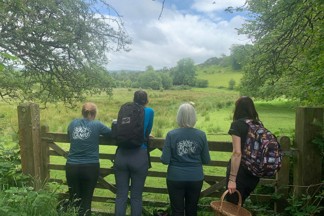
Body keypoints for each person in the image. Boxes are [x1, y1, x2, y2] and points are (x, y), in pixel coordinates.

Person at [161, 103, 211, 216]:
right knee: (192, 209)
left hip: (175, 177)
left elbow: (165, 160)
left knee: (177, 211)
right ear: (194, 117)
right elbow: (206, 160)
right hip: (195, 177)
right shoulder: (201, 135)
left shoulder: (171, 135)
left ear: (179, 117)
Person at [65, 102, 111, 216]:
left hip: (72, 166)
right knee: (86, 200)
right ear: (94, 114)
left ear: (82, 112)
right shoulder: (97, 125)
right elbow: (112, 133)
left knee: (75, 199)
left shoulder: (72, 123)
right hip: (90, 167)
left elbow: (69, 134)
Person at [114, 90, 154, 216]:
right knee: (136, 196)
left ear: (134, 99)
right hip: (139, 155)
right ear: (146, 100)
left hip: (121, 155)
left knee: (121, 195)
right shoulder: (149, 111)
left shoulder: (126, 109)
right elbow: (147, 132)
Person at [226, 96, 260, 205]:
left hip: (240, 173)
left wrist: (232, 179)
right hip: (254, 174)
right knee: (240, 204)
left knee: (232, 207)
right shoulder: (258, 125)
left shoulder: (237, 125)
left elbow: (237, 153)